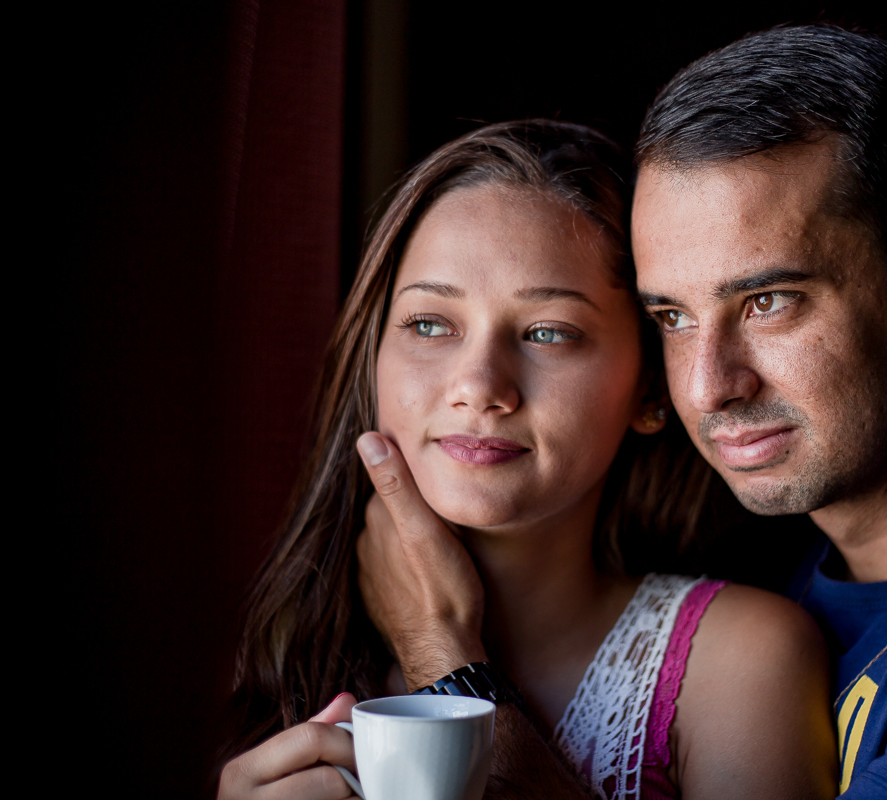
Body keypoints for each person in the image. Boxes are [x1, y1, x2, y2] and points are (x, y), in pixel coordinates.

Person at [357, 25, 887, 799]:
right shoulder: (753, 561)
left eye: (769, 301)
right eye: (673, 317)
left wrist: (444, 664)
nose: (709, 387)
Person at [216, 119, 836, 800]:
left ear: (651, 389)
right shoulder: (287, 661)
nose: (479, 385)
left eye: (548, 333)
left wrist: (441, 655)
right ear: (374, 359)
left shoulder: (741, 663)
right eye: (430, 324)